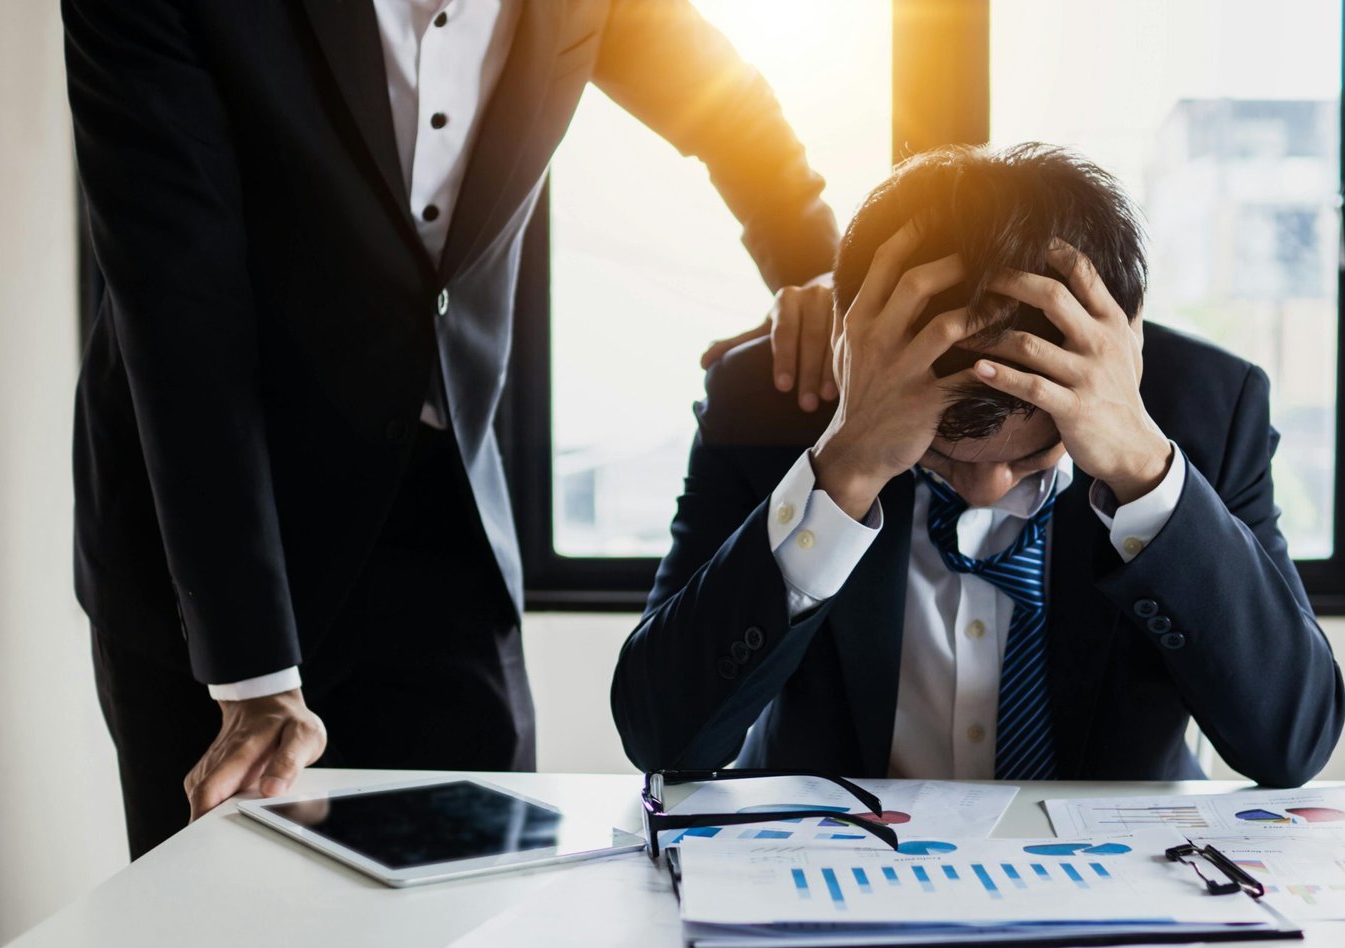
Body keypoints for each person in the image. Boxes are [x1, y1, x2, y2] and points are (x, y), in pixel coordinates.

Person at [65, 0, 841, 858]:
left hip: (441, 502)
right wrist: (252, 676)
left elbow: (719, 99)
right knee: (217, 933)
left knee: (484, 900)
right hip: (207, 543)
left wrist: (818, 270)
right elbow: (183, 316)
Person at [612, 142, 1345, 786]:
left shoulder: (1209, 413)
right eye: (939, 455)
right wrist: (842, 469)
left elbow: (1292, 742)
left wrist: (1145, 475)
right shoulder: (769, 401)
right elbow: (662, 738)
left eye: (1033, 456)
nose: (989, 487)